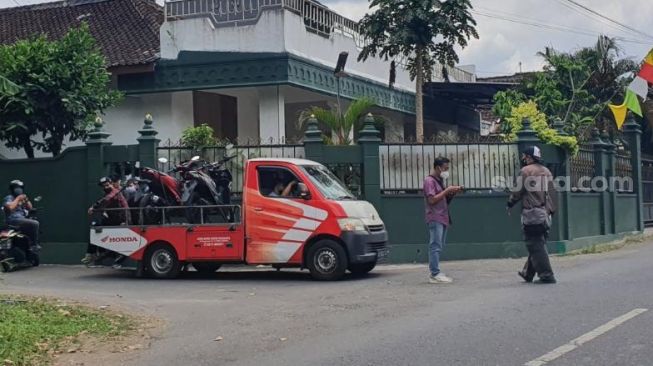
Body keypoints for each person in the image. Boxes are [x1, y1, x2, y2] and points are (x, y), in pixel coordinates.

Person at [507, 146, 557, 284]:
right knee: (537, 243)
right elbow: (552, 192)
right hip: (546, 213)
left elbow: (517, 192)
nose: (523, 158)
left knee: (534, 243)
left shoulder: (526, 171)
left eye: (525, 156)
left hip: (533, 213)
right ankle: (527, 273)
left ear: (529, 157)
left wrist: (510, 203)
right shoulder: (546, 171)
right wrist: (551, 210)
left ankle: (547, 275)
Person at [424, 158, 463, 284]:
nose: (446, 171)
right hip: (435, 217)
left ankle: (436, 272)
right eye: (445, 168)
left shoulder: (439, 181)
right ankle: (434, 273)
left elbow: (443, 200)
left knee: (439, 245)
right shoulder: (429, 181)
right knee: (435, 245)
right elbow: (431, 200)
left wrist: (452, 193)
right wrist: (446, 190)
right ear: (438, 167)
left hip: (443, 217)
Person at [82, 177, 131, 266]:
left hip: (122, 220)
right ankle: (92, 253)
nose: (105, 187)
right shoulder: (107, 193)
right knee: (95, 226)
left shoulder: (115, 192)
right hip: (113, 219)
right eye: (103, 186)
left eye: (107, 184)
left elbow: (106, 200)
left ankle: (108, 256)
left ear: (111, 183)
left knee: (119, 240)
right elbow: (104, 203)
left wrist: (94, 207)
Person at [2, 180, 40, 251]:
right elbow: (10, 208)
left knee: (33, 221)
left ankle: (26, 246)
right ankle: (34, 245)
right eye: (16, 187)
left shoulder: (22, 198)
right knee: (35, 224)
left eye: (20, 188)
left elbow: (30, 208)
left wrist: (26, 200)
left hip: (22, 219)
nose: (19, 189)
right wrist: (18, 199)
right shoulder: (9, 198)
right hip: (13, 220)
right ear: (12, 189)